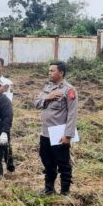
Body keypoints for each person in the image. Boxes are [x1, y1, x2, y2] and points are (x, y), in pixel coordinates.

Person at [34, 61, 78, 195]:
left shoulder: (69, 90)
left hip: (59, 133)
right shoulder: (48, 87)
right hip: (45, 132)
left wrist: (68, 135)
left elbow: (72, 114)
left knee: (63, 163)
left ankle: (65, 191)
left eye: (52, 71)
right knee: (47, 161)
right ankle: (49, 188)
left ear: (61, 73)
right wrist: (48, 97)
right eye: (49, 71)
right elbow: (36, 103)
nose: (49, 73)